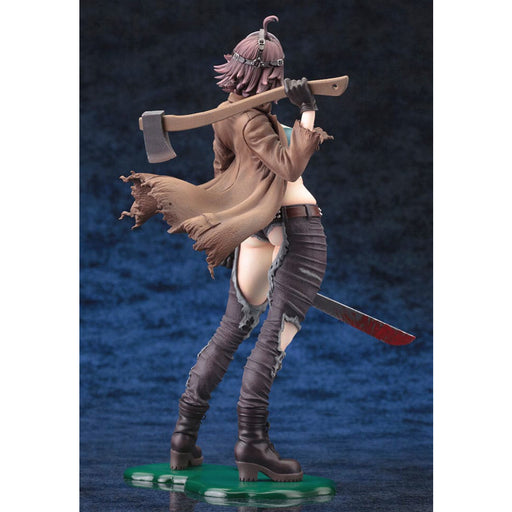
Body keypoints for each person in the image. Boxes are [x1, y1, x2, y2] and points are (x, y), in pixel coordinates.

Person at [120, 15, 332, 482]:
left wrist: (239, 217)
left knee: (230, 332)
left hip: (258, 231)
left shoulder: (228, 115)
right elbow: (291, 168)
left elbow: (223, 171)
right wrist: (308, 112)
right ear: (272, 76)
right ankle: (253, 443)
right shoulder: (256, 122)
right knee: (273, 336)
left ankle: (183, 436)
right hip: (297, 228)